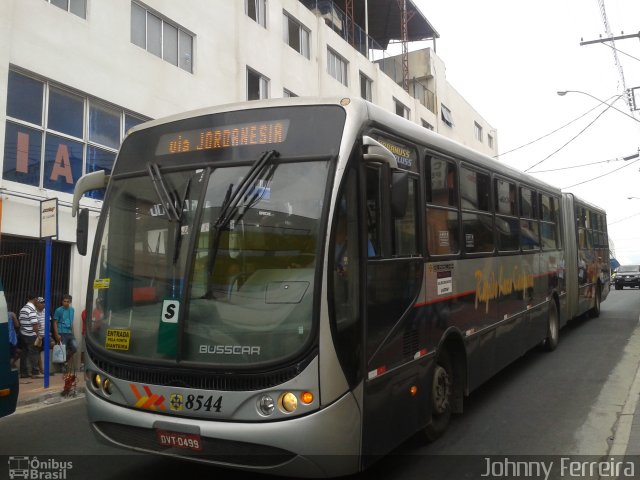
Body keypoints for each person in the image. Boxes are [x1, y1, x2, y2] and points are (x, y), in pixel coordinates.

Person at [18, 294, 42, 379]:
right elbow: (34, 324)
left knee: (24, 353)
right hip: (31, 335)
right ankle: (35, 372)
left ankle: (23, 373)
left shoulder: (23, 309)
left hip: (23, 334)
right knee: (34, 353)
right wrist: (38, 335)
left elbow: (20, 321)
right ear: (35, 299)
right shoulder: (31, 309)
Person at [52, 294, 77, 365]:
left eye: (67, 301)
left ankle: (65, 361)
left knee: (75, 348)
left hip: (70, 333)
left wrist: (73, 333)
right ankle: (62, 366)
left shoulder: (72, 310)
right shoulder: (58, 310)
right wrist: (56, 334)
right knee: (63, 349)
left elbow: (71, 322)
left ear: (70, 302)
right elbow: (55, 322)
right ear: (62, 301)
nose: (66, 303)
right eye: (64, 301)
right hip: (61, 332)